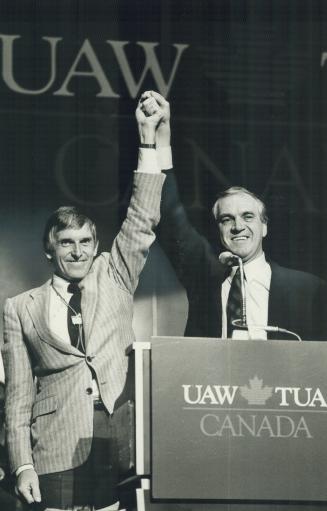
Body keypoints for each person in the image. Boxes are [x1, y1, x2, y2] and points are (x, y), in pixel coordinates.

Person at [1, 97, 166, 511]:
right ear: (49, 250)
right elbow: (18, 397)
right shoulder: (19, 308)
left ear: (96, 247)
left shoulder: (115, 273)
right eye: (66, 243)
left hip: (121, 440)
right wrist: (21, 465)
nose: (78, 252)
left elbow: (142, 217)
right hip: (55, 447)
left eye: (86, 243)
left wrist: (148, 139)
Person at [140, 90, 327, 342]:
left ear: (264, 227)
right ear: (218, 228)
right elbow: (169, 218)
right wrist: (159, 138)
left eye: (248, 216)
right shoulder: (204, 277)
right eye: (226, 219)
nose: (238, 226)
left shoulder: (308, 289)